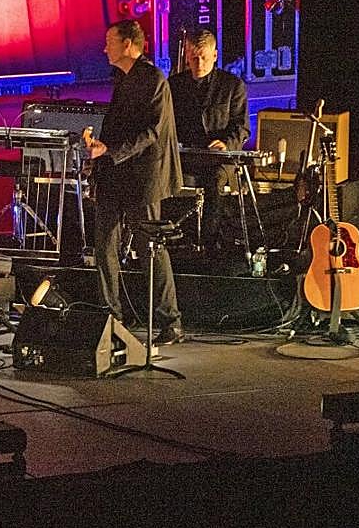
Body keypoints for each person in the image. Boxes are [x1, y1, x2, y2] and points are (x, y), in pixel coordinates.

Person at [86, 20, 184, 345]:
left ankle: (170, 321)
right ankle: (111, 317)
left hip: (143, 177)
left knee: (149, 248)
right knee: (104, 246)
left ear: (128, 44)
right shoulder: (123, 78)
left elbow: (151, 132)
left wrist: (110, 150)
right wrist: (100, 150)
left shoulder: (153, 79)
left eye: (110, 41)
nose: (105, 48)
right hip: (115, 173)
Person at [168, 29, 250, 251]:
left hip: (219, 159)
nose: (199, 63)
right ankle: (168, 237)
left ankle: (209, 244)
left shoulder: (232, 86)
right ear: (187, 56)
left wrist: (226, 144)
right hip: (185, 156)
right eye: (194, 58)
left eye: (203, 57)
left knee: (214, 181)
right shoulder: (174, 85)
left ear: (215, 55)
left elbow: (242, 128)